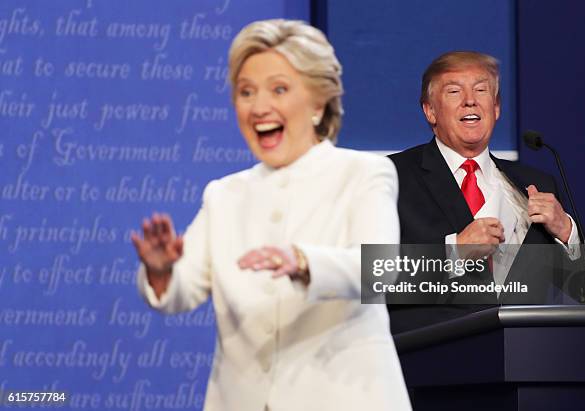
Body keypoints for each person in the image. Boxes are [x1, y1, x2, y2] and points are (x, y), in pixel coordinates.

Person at [132, 19, 412, 411]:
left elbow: (380, 270)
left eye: (279, 89)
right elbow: (181, 292)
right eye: (246, 92)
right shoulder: (224, 195)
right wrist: (161, 272)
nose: (259, 107)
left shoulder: (362, 173)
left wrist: (302, 261)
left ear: (319, 103)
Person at [388, 51, 584, 333]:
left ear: (495, 108)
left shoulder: (537, 184)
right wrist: (454, 252)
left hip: (525, 361)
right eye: (454, 91)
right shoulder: (391, 176)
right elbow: (367, 278)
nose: (470, 99)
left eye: (481, 90)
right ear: (430, 110)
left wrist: (566, 231)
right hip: (431, 359)